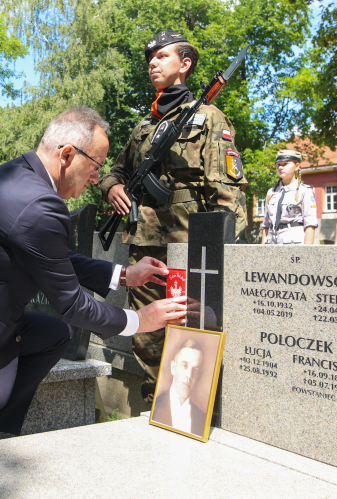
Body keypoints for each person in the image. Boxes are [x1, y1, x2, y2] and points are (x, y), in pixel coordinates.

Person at [0, 107, 187, 445]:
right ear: (68, 154)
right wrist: (140, 319)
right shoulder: (40, 204)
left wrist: (124, 274)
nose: (98, 178)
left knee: (54, 334)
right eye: (97, 166)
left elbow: (50, 256)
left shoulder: (14, 175)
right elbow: (72, 305)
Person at [98, 30, 247, 401]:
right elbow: (113, 171)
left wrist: (222, 251)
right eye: (150, 57)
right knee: (147, 335)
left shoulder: (208, 118)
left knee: (191, 329)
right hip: (145, 246)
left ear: (185, 64)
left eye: (162, 56)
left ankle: (194, 408)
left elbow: (226, 190)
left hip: (188, 244)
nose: (152, 62)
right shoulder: (143, 128)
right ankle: (156, 402)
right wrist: (112, 188)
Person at [261, 150, 318, 245]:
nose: (281, 167)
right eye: (278, 164)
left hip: (293, 243)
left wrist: (307, 252)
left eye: (285, 164)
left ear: (297, 166)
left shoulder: (304, 191)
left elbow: (310, 224)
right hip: (272, 242)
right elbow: (266, 224)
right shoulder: (272, 192)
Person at [151, 339, 205, 436]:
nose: (189, 375)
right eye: (184, 365)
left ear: (199, 376)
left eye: (195, 370)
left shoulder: (202, 418)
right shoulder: (155, 407)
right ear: (173, 368)